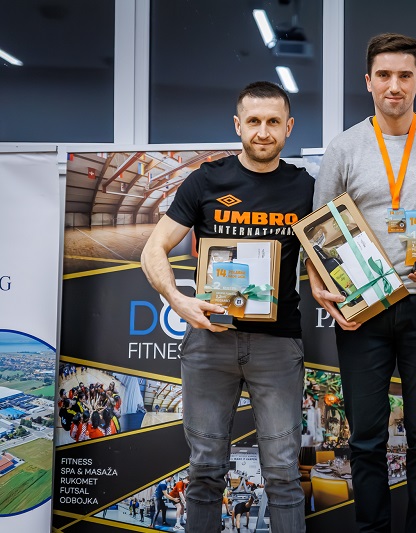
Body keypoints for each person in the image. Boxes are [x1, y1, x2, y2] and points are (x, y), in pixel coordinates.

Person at [309, 33, 416, 532]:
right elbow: (319, 229)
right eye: (384, 75)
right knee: (366, 439)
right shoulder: (344, 147)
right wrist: (318, 283)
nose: (394, 85)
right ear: (368, 82)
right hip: (364, 307)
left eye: (405, 75)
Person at [141, 81, 313, 533]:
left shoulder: (306, 188)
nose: (263, 131)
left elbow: (330, 256)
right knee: (204, 472)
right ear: (238, 125)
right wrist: (177, 300)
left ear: (289, 127)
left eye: (273, 121)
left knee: (283, 474)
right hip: (209, 342)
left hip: (277, 347)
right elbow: (153, 249)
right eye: (253, 121)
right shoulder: (206, 180)